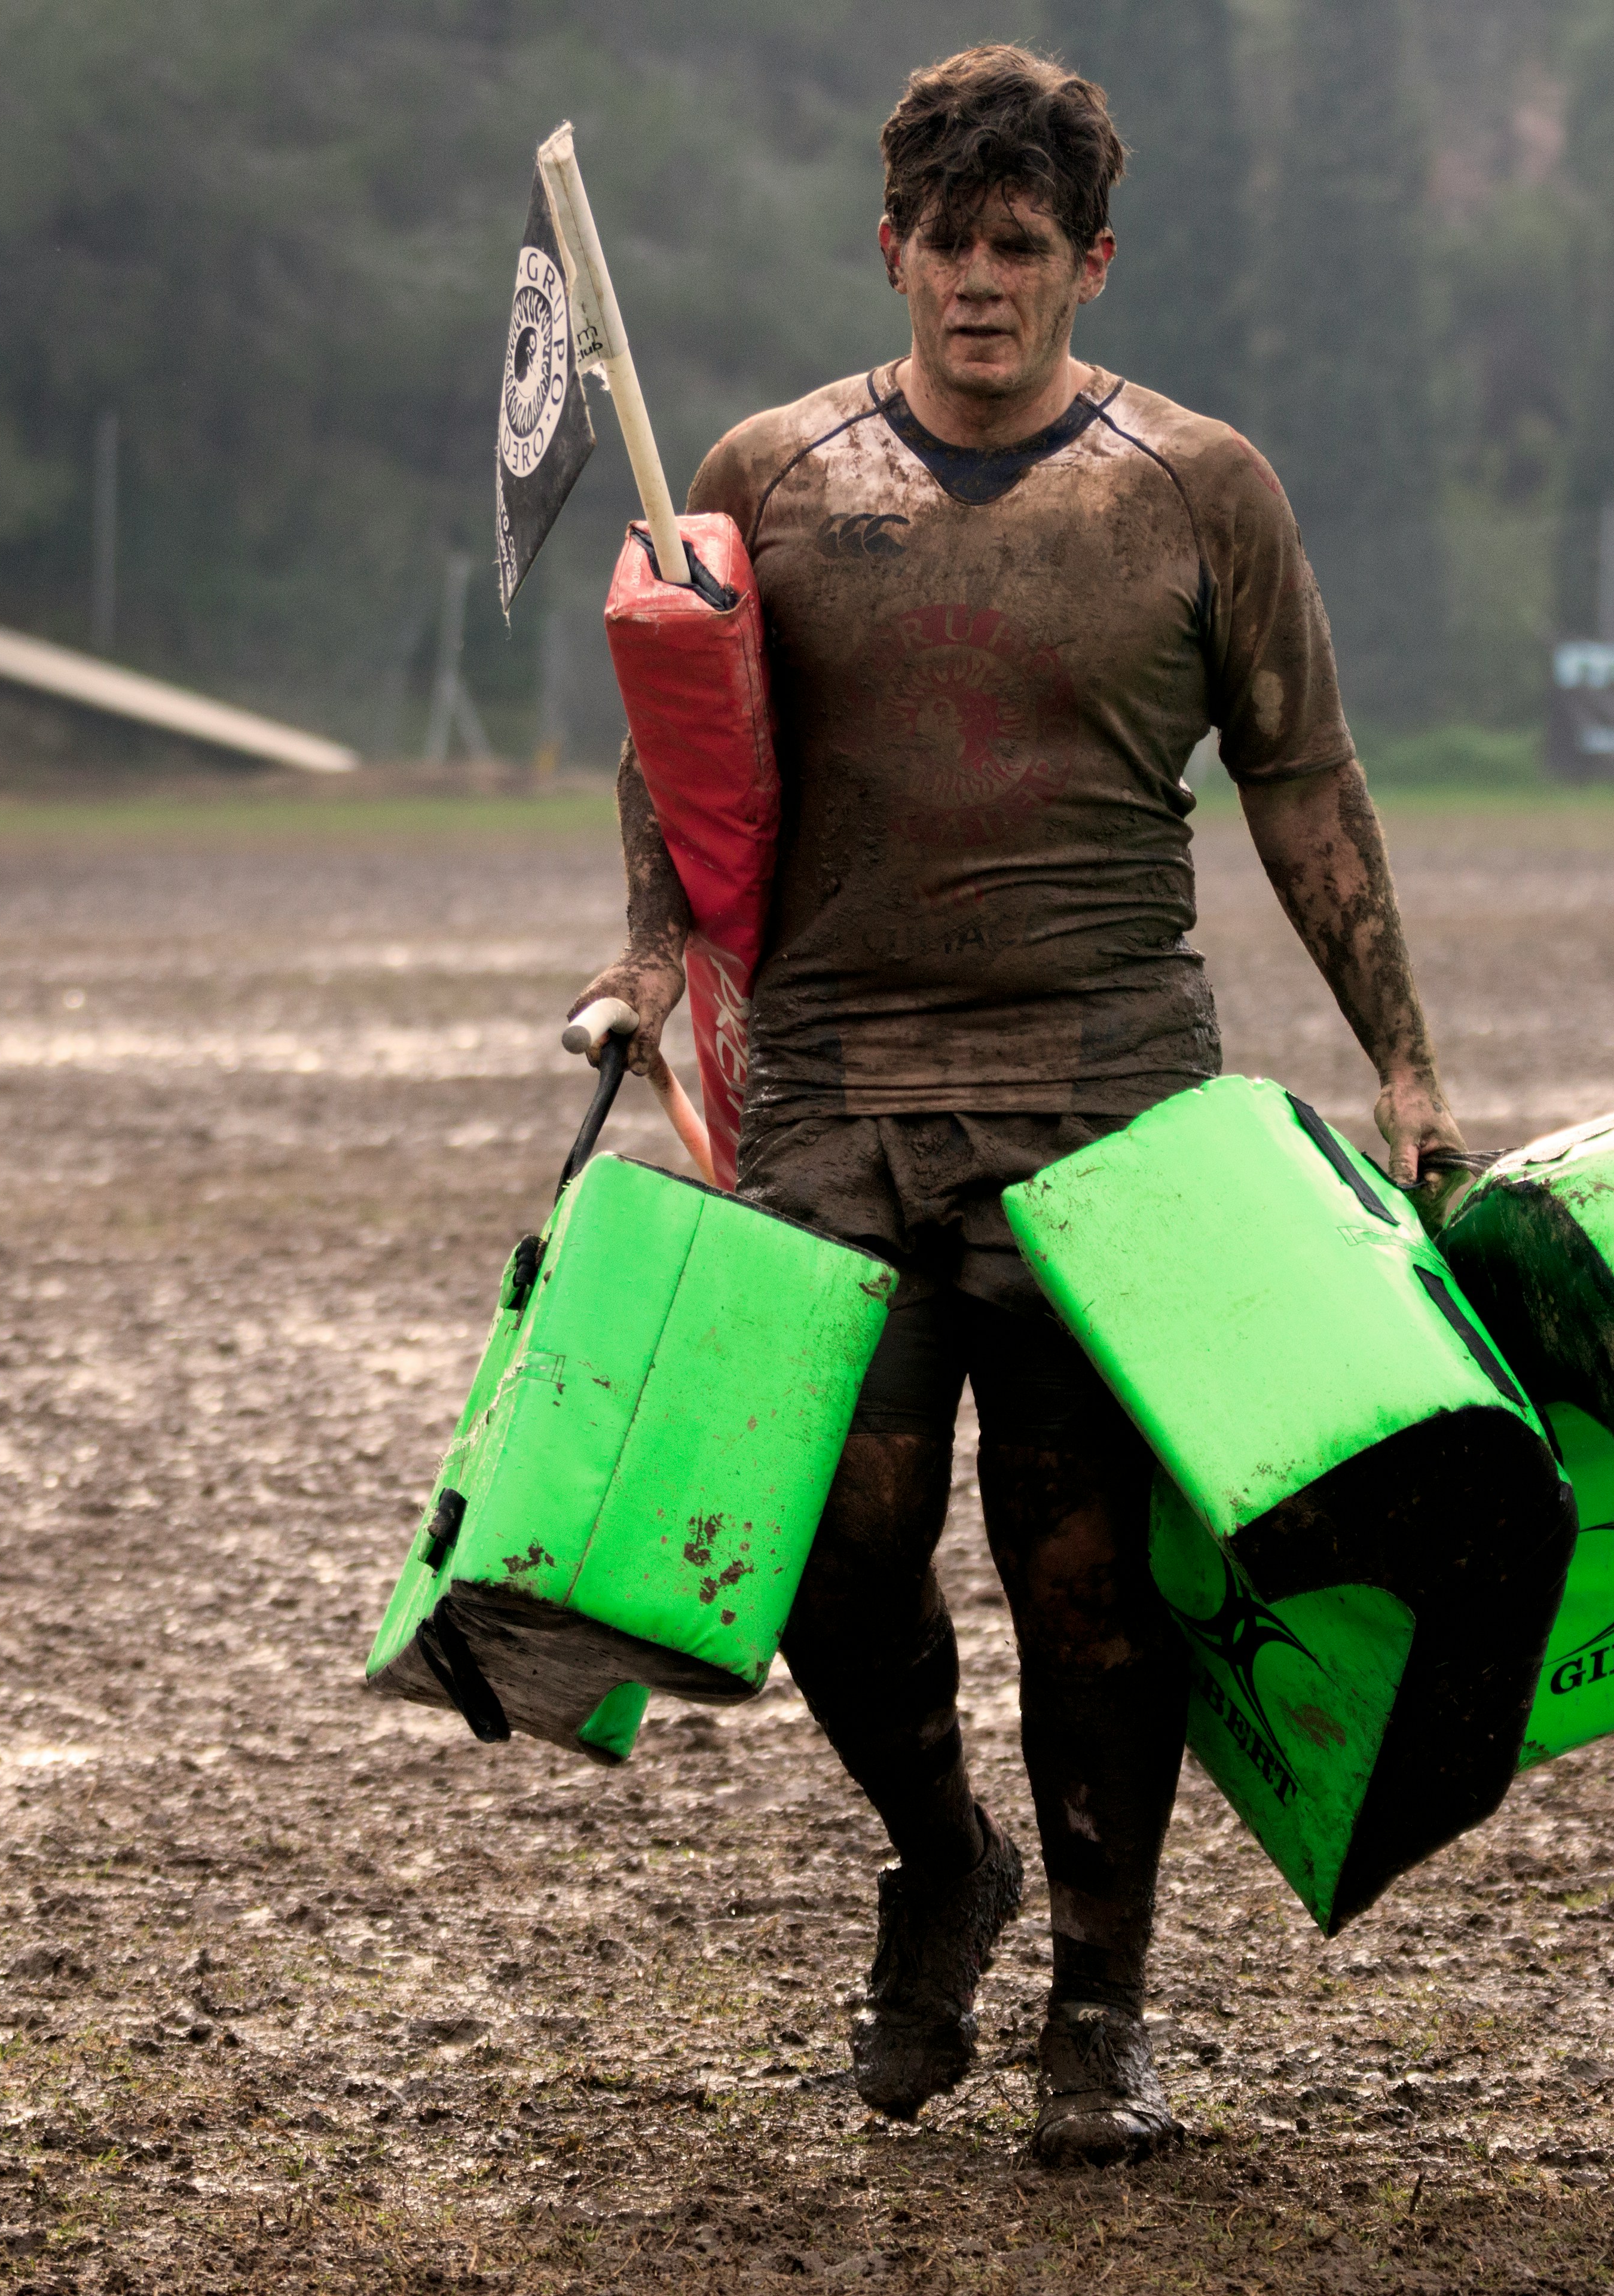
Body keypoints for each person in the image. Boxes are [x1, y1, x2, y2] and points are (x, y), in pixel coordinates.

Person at [569, 44, 1464, 2167]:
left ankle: (1099, 2006)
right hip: (832, 1090)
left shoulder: (1194, 486)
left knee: (1084, 1578)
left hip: (1102, 1105)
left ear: (1087, 262)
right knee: (828, 1554)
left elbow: (1302, 785)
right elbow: (674, 742)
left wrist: (1403, 1056)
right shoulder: (769, 472)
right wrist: (642, 952)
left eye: (1021, 250)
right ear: (890, 251)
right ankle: (937, 1856)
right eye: (946, 248)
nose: (980, 286)